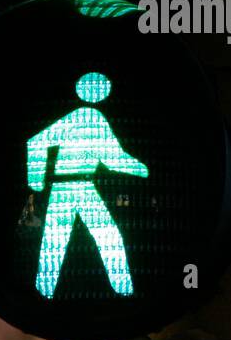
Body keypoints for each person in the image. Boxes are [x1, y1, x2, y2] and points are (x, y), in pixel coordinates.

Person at [26, 72, 148, 298]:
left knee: (62, 242)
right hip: (70, 189)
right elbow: (36, 142)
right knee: (63, 242)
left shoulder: (92, 117)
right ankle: (123, 291)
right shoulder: (85, 116)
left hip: (77, 189)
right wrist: (35, 180)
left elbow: (112, 157)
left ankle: (44, 293)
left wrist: (139, 168)